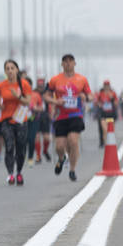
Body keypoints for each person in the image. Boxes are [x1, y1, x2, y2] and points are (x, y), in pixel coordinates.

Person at [44, 53, 93, 182]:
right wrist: (56, 102)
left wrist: (85, 97)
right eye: (65, 61)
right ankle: (61, 159)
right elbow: (46, 96)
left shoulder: (82, 79)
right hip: (61, 116)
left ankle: (72, 169)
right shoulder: (55, 80)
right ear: (62, 64)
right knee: (59, 147)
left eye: (70, 61)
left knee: (73, 141)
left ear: (74, 63)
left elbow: (91, 96)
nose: (68, 63)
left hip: (75, 115)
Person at [0, 60, 32, 185]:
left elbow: (28, 102)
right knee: (9, 146)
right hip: (6, 120)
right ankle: (10, 174)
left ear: (17, 70)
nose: (10, 71)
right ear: (5, 71)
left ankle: (19, 172)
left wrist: (18, 96)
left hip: (21, 120)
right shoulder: (1, 85)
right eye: (7, 68)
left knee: (21, 148)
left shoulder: (24, 84)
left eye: (12, 68)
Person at [95, 80, 120, 148]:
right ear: (103, 86)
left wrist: (111, 98)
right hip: (103, 114)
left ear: (109, 86)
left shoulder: (113, 93)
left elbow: (116, 103)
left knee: (110, 130)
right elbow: (96, 101)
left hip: (111, 114)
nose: (106, 87)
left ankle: (109, 142)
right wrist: (99, 104)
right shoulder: (100, 93)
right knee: (104, 129)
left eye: (107, 85)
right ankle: (104, 142)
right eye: (105, 85)